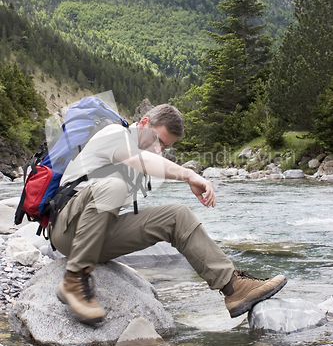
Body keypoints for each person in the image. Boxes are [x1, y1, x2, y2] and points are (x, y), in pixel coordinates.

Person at [49, 103, 287, 325]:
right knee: (115, 186)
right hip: (67, 227)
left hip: (97, 236)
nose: (158, 149)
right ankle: (74, 280)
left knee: (177, 215)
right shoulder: (114, 134)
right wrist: (190, 175)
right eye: (157, 140)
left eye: (165, 146)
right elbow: (140, 160)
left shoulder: (142, 153)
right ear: (143, 123)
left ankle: (233, 287)